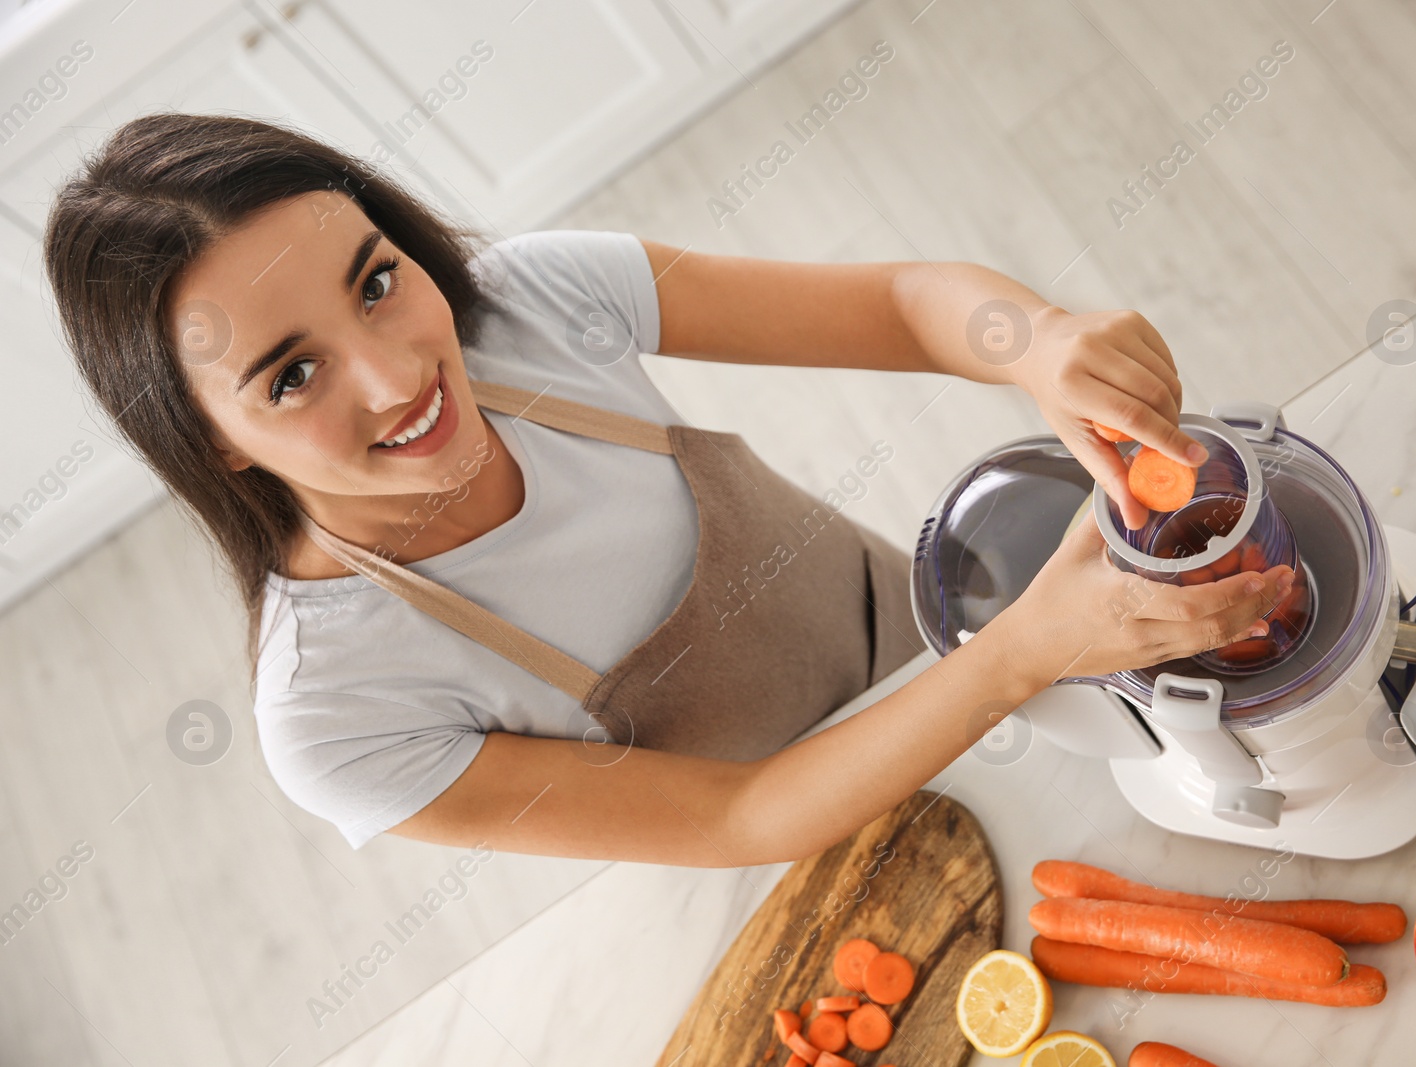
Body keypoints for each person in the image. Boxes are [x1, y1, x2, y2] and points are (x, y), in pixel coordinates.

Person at [43, 113, 1292, 864]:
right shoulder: (338, 717)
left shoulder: (534, 301)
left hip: (967, 651)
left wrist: (1037, 342)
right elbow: (745, 818)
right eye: (291, 373)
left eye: (374, 280)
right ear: (213, 447)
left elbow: (904, 301)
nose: (397, 375)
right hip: (845, 840)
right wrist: (1025, 653)